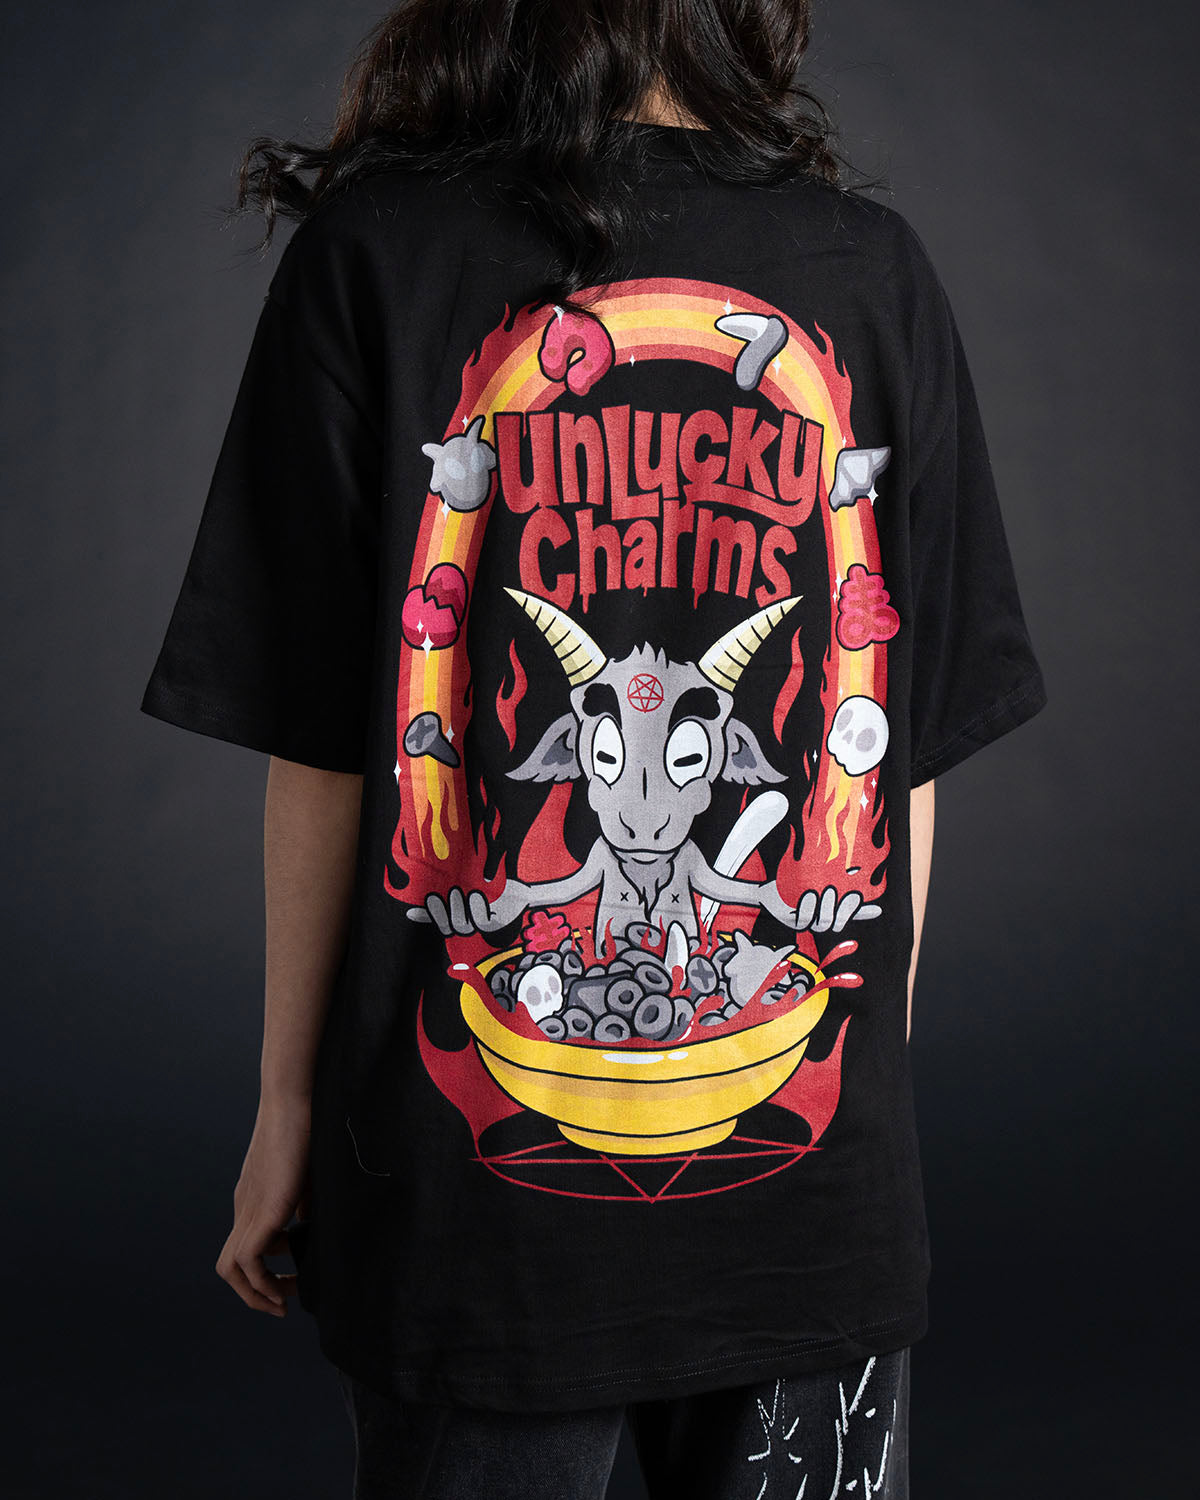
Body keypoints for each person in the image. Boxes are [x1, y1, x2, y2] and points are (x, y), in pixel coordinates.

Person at [139, 3, 1048, 1494]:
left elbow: (328, 747)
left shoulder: (376, 253)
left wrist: (287, 1105)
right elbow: (896, 750)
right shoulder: (867, 267)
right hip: (796, 1200)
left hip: (469, 1212)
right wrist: (864, 1087)